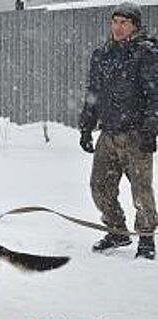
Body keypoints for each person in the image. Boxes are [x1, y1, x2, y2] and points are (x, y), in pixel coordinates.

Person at [79, 2, 158, 260]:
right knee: (99, 186)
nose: (118, 27)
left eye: (124, 22)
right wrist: (86, 126)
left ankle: (146, 239)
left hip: (135, 135)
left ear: (135, 25)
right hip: (109, 134)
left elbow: (154, 95)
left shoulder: (146, 54)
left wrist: (150, 131)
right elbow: (93, 93)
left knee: (141, 191)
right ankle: (117, 231)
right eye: (115, 21)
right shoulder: (101, 54)